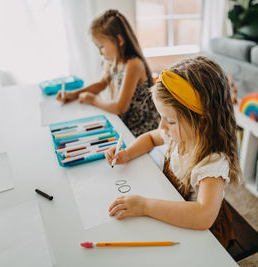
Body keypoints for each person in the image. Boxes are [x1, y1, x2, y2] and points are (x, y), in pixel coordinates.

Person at [105, 56, 242, 249]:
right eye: (162, 117)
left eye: (170, 121)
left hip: (202, 232)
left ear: (202, 122)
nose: (162, 126)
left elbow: (203, 216)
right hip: (172, 203)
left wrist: (145, 206)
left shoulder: (212, 161)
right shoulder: (177, 133)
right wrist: (127, 154)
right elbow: (151, 138)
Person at [56, 9, 159, 136]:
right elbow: (101, 84)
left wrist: (93, 100)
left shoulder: (134, 64)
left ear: (119, 40)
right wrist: (74, 94)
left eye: (101, 46)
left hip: (142, 129)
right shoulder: (111, 61)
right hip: (124, 123)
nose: (100, 52)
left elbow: (120, 107)